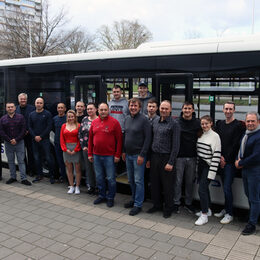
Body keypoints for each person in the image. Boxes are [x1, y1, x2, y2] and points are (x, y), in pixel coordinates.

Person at [147, 100, 180, 218]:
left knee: (167, 185)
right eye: (162, 108)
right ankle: (157, 205)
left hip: (166, 158)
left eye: (166, 108)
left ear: (170, 110)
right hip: (155, 156)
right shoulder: (155, 121)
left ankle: (168, 207)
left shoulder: (174, 124)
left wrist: (171, 162)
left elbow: (176, 146)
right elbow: (151, 139)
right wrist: (149, 159)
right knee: (155, 183)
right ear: (159, 109)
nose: (164, 110)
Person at [215, 102, 245, 224]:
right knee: (224, 187)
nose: (228, 111)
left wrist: (225, 159)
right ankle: (226, 208)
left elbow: (235, 145)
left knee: (227, 187)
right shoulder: (220, 124)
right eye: (226, 109)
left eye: (230, 109)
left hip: (230, 163)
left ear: (234, 110)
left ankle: (229, 213)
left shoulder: (238, 125)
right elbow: (217, 141)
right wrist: (220, 157)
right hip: (221, 160)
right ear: (223, 110)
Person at [88, 103, 122, 208]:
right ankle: (102, 195)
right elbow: (90, 140)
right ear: (98, 110)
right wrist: (90, 153)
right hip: (96, 155)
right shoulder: (94, 122)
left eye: (105, 110)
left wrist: (117, 155)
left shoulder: (115, 123)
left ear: (108, 110)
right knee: (99, 177)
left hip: (109, 156)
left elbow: (119, 140)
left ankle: (110, 197)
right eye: (101, 110)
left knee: (111, 178)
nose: (103, 112)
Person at [122, 98, 151, 216]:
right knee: (131, 180)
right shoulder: (127, 118)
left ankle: (138, 204)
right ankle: (134, 199)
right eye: (131, 106)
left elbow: (148, 139)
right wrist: (123, 151)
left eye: (135, 106)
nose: (133, 108)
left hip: (138, 156)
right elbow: (125, 135)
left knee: (139, 181)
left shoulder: (144, 120)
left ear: (139, 107)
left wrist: (142, 155)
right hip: (128, 155)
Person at [235, 112, 260, 235]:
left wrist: (241, 162)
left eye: (252, 121)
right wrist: (237, 160)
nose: (250, 123)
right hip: (246, 170)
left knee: (254, 198)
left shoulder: (258, 136)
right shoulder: (247, 134)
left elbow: (257, 156)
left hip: (255, 171)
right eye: (248, 121)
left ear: (258, 122)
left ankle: (252, 224)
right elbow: (241, 149)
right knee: (248, 194)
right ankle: (252, 215)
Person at [174, 102, 201, 214]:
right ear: (182, 109)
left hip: (192, 157)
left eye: (189, 109)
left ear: (193, 110)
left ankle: (188, 203)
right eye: (185, 108)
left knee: (190, 182)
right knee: (177, 181)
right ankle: (176, 203)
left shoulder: (197, 123)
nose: (187, 110)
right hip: (179, 157)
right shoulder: (176, 122)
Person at [195, 115, 221, 226]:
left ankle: (204, 215)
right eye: (202, 124)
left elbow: (216, 155)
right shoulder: (200, 134)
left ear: (211, 123)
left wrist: (212, 173)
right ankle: (208, 209)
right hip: (200, 165)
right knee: (204, 188)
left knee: (201, 190)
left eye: (206, 123)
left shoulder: (215, 136)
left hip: (208, 166)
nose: (204, 125)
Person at [0, 102, 31, 185]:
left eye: (12, 107)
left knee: (21, 161)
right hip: (8, 143)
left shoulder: (21, 117)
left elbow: (23, 130)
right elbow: (1, 131)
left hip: (19, 142)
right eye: (8, 107)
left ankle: (23, 178)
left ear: (14, 108)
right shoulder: (2, 119)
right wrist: (9, 140)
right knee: (10, 161)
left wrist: (16, 139)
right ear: (6, 108)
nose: (10, 108)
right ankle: (13, 177)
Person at [28, 97, 55, 183]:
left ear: (43, 104)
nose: (39, 104)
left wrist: (41, 136)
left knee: (48, 157)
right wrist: (35, 136)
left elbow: (49, 127)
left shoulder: (47, 114)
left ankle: (52, 176)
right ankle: (39, 175)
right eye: (37, 103)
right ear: (35, 104)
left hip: (45, 140)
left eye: (40, 103)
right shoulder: (31, 114)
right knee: (36, 158)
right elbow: (29, 127)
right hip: (34, 140)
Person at [60, 110, 81, 194]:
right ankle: (71, 186)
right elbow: (61, 139)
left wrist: (76, 149)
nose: (70, 118)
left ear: (75, 117)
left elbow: (81, 139)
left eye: (72, 116)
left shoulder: (79, 126)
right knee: (69, 169)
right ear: (67, 117)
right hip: (67, 149)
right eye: (69, 116)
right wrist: (65, 149)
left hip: (76, 148)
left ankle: (77, 186)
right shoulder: (63, 126)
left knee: (77, 169)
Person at [78, 103, 98, 194]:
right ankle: (91, 186)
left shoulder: (99, 120)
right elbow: (80, 134)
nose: (89, 111)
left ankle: (99, 186)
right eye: (88, 109)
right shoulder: (84, 119)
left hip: (96, 149)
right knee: (88, 168)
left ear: (96, 109)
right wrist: (83, 146)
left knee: (97, 168)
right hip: (86, 149)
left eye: (91, 109)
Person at [16, 93, 35, 176]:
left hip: (29, 134)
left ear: (26, 100)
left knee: (30, 153)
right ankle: (24, 169)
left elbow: (33, 121)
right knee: (21, 153)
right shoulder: (15, 109)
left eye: (24, 99)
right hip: (19, 135)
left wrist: (27, 130)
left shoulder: (32, 108)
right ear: (18, 100)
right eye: (21, 99)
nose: (23, 100)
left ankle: (31, 170)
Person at [53, 103, 67, 183]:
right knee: (60, 160)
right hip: (57, 143)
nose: (60, 109)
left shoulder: (67, 118)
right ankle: (63, 176)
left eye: (62, 108)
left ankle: (69, 177)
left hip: (66, 143)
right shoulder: (54, 118)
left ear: (65, 109)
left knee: (67, 161)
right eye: (59, 108)